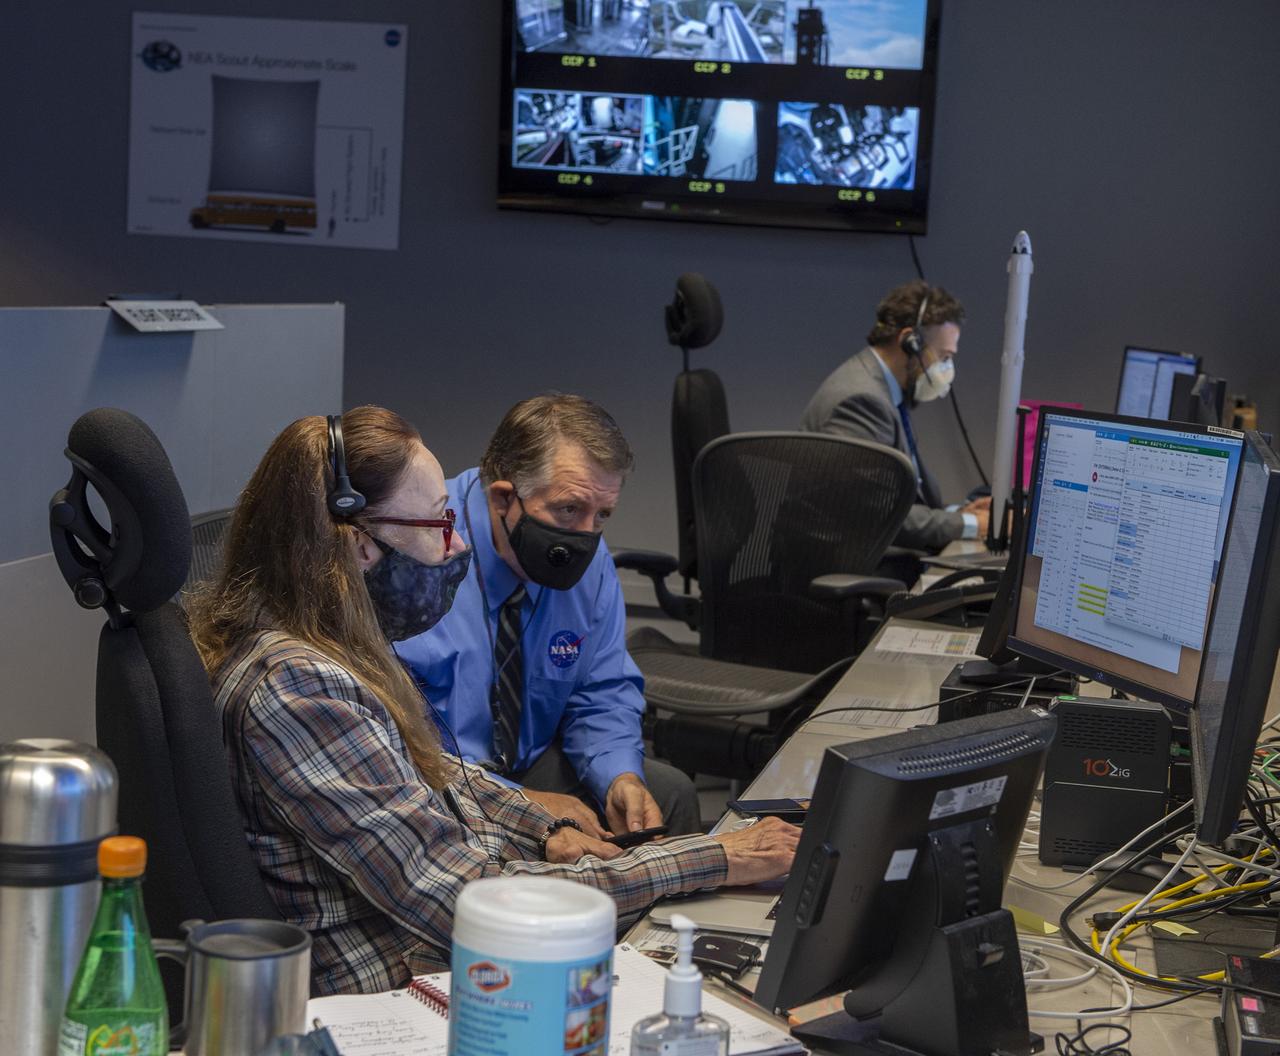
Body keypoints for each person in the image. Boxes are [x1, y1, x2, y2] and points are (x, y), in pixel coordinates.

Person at [188, 407, 799, 996]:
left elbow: (433, 769)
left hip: (425, 934)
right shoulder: (299, 687)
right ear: (360, 548)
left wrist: (546, 825)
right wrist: (706, 858)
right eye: (438, 524)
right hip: (403, 981)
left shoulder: (330, 645)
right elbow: (467, 901)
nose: (457, 545)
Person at [396, 395, 702, 838]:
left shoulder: (590, 562)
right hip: (437, 782)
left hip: (526, 762)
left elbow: (600, 690)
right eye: (569, 509)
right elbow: (401, 747)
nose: (586, 538)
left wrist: (619, 775)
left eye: (602, 515)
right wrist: (523, 806)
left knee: (667, 795)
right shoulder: (419, 547)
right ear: (504, 498)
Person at [800, 279, 991, 552]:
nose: (947, 368)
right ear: (909, 342)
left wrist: (958, 513)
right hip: (851, 561)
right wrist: (973, 524)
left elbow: (898, 502)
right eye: (943, 356)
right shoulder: (861, 400)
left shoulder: (884, 391)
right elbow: (879, 515)